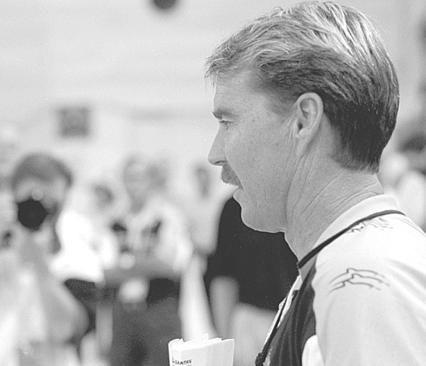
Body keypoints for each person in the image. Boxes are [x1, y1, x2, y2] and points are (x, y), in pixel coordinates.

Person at [205, 2, 426, 365]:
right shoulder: (347, 263)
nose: (215, 153)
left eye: (227, 122)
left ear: (304, 120)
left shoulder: (361, 279)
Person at [0, 152, 104, 366]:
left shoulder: (77, 251)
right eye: (28, 201)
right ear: (13, 196)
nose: (38, 210)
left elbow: (65, 329)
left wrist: (38, 262)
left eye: (49, 204)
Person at [105, 155, 193, 366]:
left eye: (139, 178)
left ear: (150, 181)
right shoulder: (114, 219)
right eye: (128, 179)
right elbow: (105, 271)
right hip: (123, 312)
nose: (133, 185)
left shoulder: (168, 217)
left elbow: (170, 265)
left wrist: (128, 264)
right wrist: (146, 263)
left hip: (159, 308)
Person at [209, 196, 296, 366]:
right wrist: (225, 341)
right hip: (250, 319)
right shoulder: (234, 206)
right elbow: (223, 277)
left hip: (292, 316)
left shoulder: (293, 199)